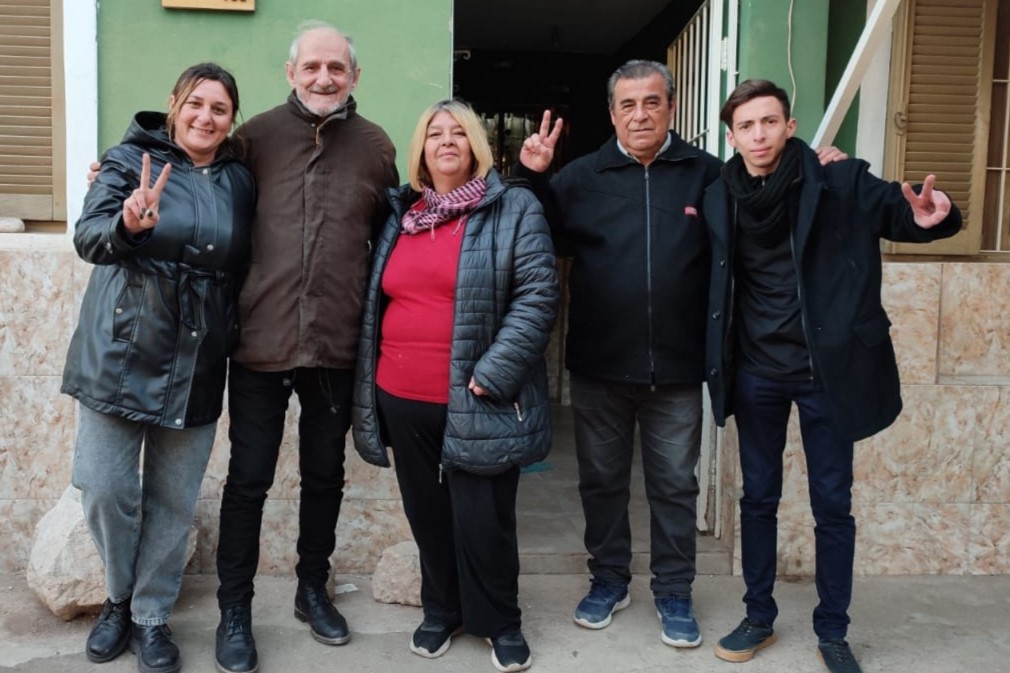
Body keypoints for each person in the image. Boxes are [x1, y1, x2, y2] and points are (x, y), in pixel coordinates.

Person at [703, 79, 961, 673]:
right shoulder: (721, 192)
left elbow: (903, 211)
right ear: (732, 135)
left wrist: (933, 217)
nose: (759, 134)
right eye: (746, 126)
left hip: (828, 373)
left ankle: (833, 630)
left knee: (832, 504)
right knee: (759, 498)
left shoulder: (839, 180)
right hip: (757, 372)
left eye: (770, 122)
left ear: (790, 126)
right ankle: (758, 616)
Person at [212, 20, 399, 673]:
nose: (325, 78)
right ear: (291, 73)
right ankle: (234, 608)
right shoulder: (254, 137)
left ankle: (311, 589)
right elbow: (197, 183)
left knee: (326, 477)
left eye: (337, 69)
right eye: (313, 67)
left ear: (354, 77)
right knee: (248, 481)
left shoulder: (376, 147)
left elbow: (389, 243)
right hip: (260, 342)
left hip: (337, 345)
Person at [515, 59, 721, 648]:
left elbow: (758, 219)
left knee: (674, 485)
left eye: (651, 102)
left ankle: (675, 590)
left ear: (672, 107)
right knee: (602, 482)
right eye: (627, 105)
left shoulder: (707, 176)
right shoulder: (580, 177)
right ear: (612, 114)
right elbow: (533, 229)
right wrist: (531, 176)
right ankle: (609, 579)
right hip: (600, 363)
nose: (640, 114)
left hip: (678, 369)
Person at [352, 99, 560, 673]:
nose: (446, 142)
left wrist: (494, 372)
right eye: (434, 134)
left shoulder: (513, 206)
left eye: (458, 134)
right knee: (427, 512)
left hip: (478, 395)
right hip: (402, 393)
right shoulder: (402, 215)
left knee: (484, 516)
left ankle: (501, 621)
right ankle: (441, 610)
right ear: (420, 149)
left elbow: (539, 296)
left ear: (475, 146)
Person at [64, 63, 254, 673]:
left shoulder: (241, 180)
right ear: (174, 104)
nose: (205, 117)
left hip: (197, 358)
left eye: (219, 109)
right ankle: (118, 596)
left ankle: (150, 616)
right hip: (118, 354)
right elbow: (89, 237)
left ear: (232, 121)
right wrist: (127, 224)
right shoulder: (125, 160)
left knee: (173, 500)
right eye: (196, 103)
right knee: (103, 486)